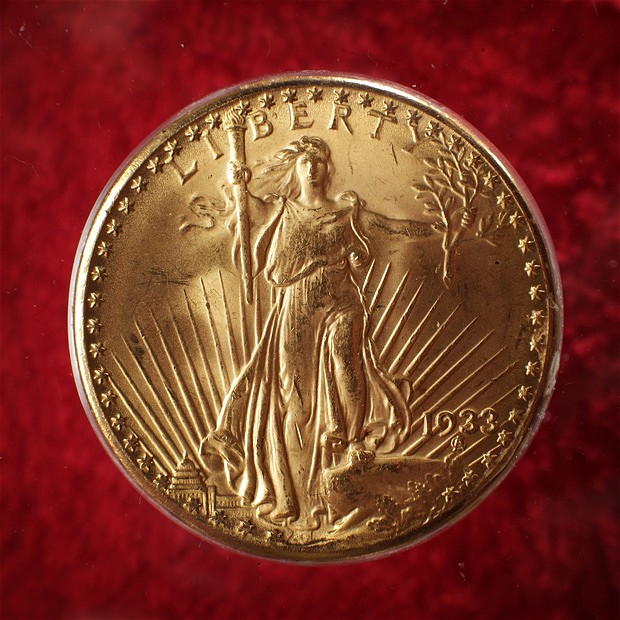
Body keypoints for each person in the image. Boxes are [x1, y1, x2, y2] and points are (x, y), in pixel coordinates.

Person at [203, 135, 435, 531]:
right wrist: (237, 180)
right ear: (296, 169)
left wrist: (438, 227)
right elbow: (250, 208)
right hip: (297, 305)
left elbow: (389, 225)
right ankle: (299, 488)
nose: (312, 167)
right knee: (298, 398)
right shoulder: (282, 210)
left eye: (320, 161)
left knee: (348, 365)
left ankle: (353, 444)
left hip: (342, 299)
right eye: (306, 161)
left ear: (328, 170)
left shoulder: (347, 211)